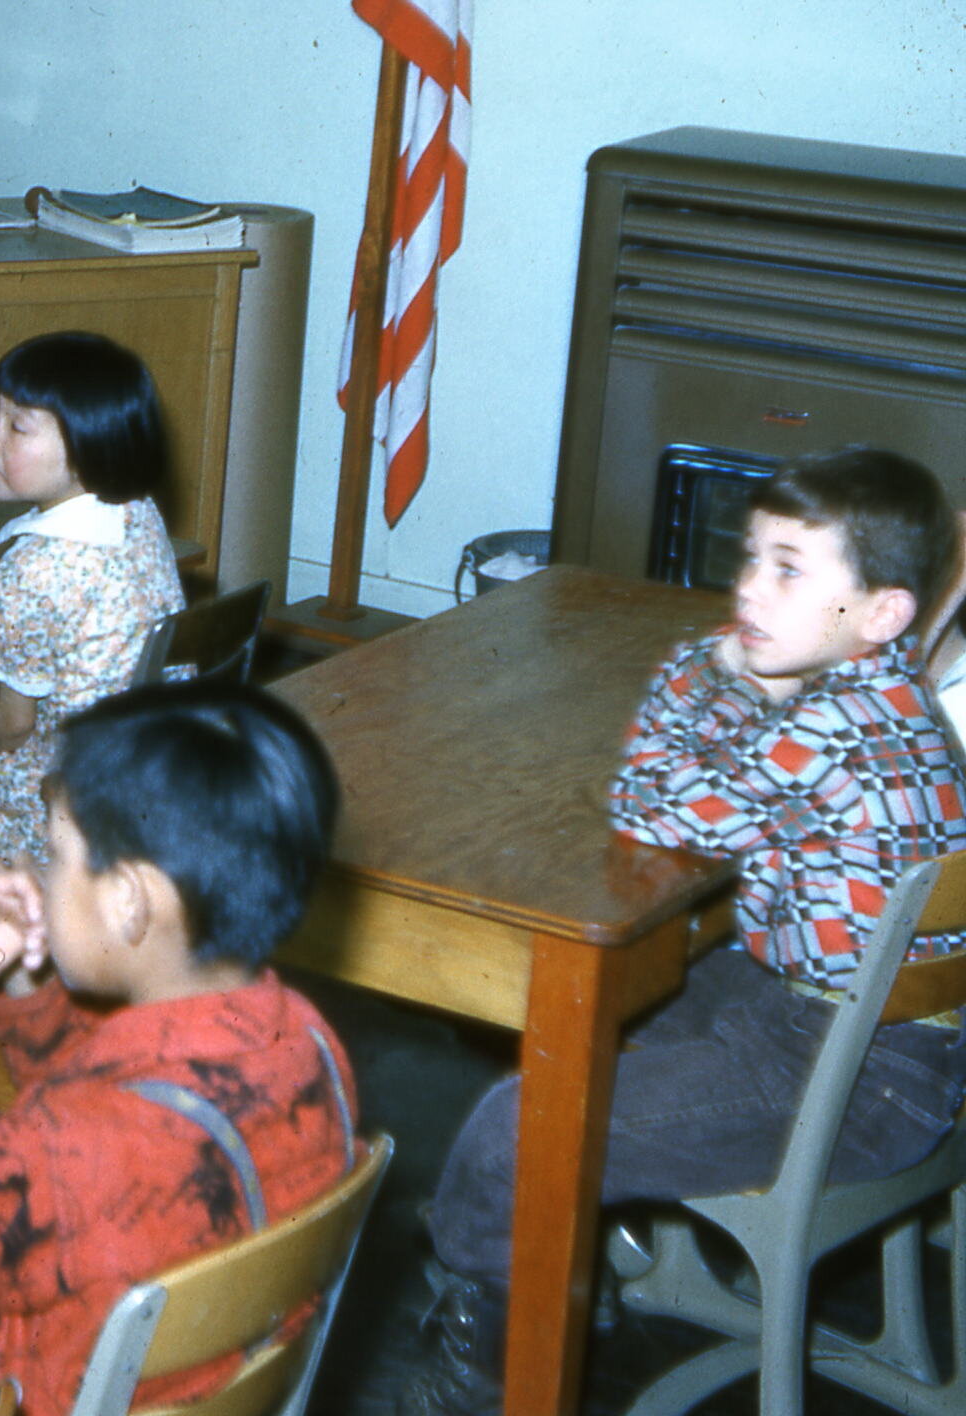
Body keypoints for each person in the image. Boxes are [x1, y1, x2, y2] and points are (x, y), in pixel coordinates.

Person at [409, 445, 966, 1413]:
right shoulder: (885, 696)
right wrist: (737, 689)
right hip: (868, 1034)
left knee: (517, 1126)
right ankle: (540, 1254)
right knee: (586, 1011)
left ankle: (493, 1351)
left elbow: (648, 798)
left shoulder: (832, 724)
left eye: (789, 569)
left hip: (852, 1073)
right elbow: (717, 787)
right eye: (751, 558)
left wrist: (696, 665)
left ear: (881, 614)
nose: (749, 588)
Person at [0, 682, 359, 1416]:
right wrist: (24, 985)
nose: (44, 879)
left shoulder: (66, 1157)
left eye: (56, 854)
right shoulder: (309, 1041)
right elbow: (135, 1107)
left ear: (129, 901)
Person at [0, 332, 184, 870]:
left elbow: (11, 727)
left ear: (90, 445)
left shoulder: (23, 576)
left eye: (18, 426)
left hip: (57, 807)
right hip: (149, 776)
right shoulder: (138, 514)